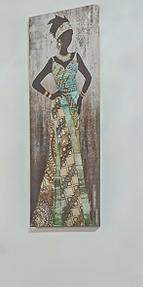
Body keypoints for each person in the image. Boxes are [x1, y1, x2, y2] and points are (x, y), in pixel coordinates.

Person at [30, 15, 94, 227]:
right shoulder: (52, 61)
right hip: (58, 110)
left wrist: (80, 97)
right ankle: (56, 208)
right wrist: (52, 95)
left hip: (73, 107)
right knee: (58, 154)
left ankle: (73, 207)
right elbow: (36, 83)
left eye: (70, 37)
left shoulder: (76, 58)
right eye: (64, 38)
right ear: (58, 40)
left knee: (72, 155)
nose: (67, 41)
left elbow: (88, 77)